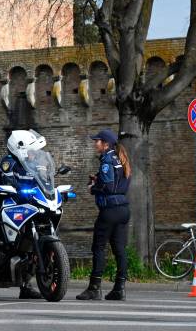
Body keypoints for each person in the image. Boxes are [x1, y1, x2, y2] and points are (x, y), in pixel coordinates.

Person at [0, 130, 45, 300]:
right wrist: (14, 187)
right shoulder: (9, 161)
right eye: (31, 150)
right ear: (20, 148)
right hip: (0, 201)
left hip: (24, 204)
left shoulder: (34, 163)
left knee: (31, 241)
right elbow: (8, 179)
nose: (35, 154)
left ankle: (26, 285)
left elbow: (43, 179)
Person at [76, 129, 131, 301]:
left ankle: (94, 288)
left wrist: (93, 187)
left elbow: (107, 187)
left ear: (106, 144)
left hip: (109, 211)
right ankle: (119, 288)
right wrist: (98, 179)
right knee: (119, 250)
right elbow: (117, 183)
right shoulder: (121, 159)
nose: (95, 143)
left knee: (98, 248)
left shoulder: (107, 160)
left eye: (97, 141)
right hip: (123, 209)